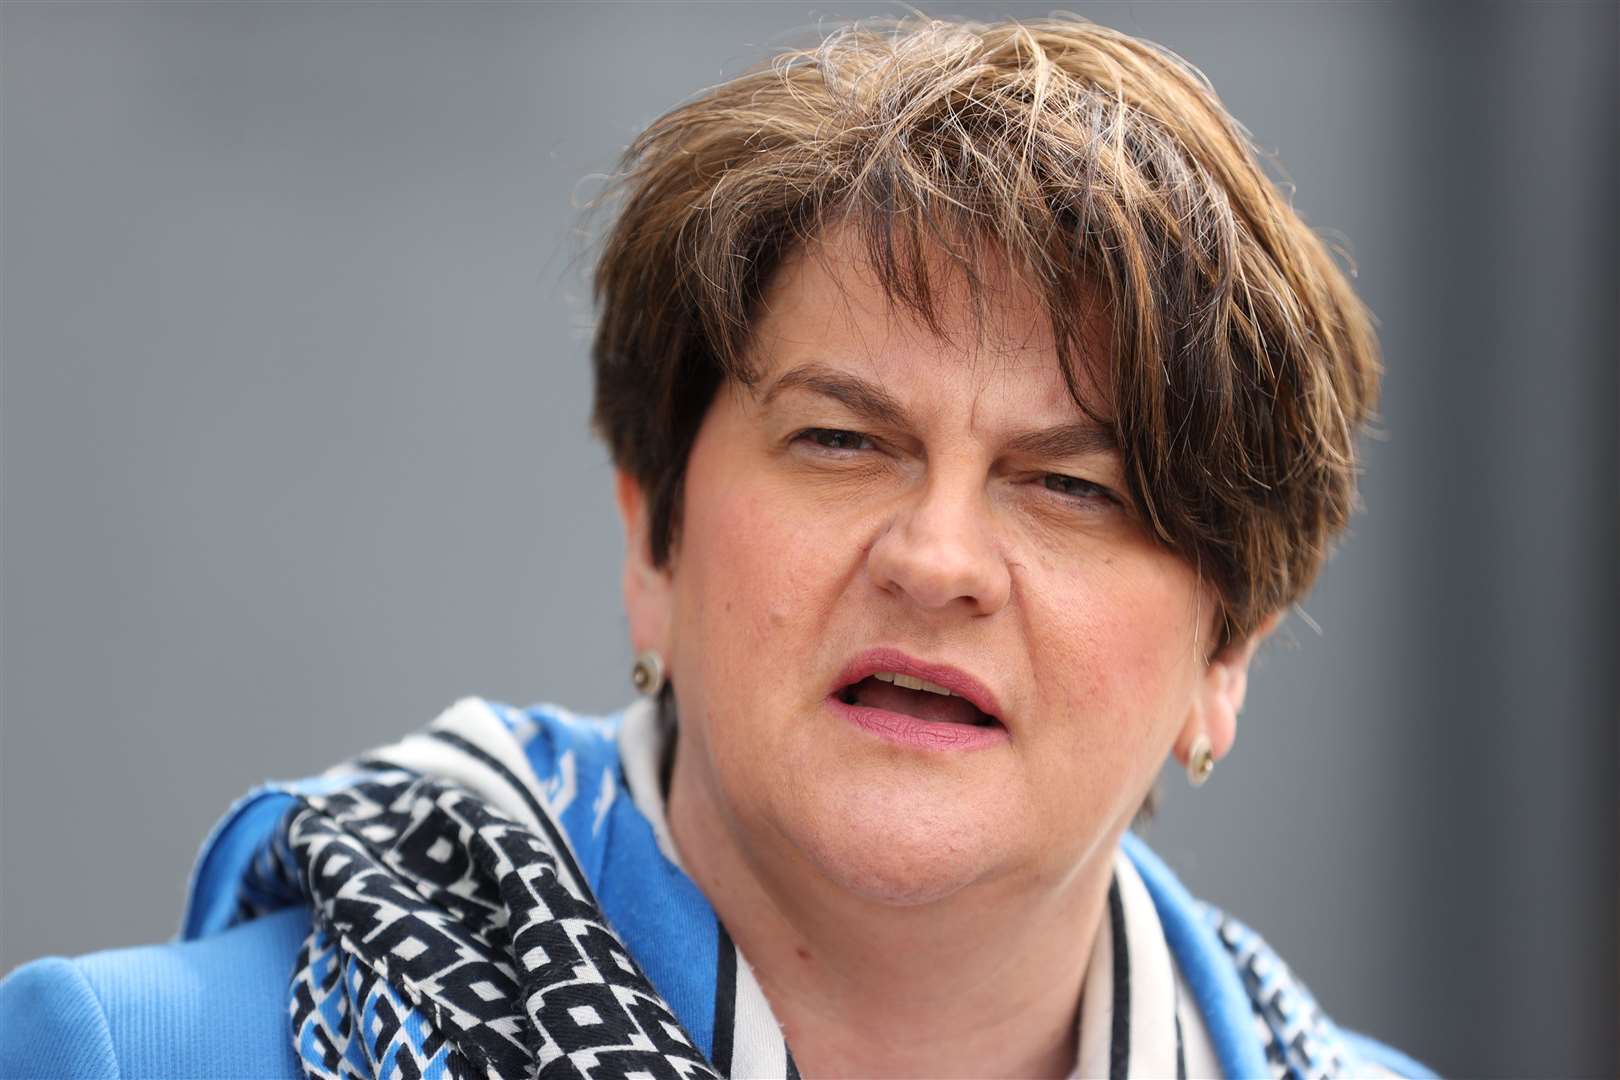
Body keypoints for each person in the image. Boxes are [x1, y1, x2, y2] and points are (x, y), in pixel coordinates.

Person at [0, 15, 1432, 1079]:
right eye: (841, 440)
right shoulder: (143, 1055)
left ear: (1225, 650)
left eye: (1069, 487)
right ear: (654, 540)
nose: (937, 558)